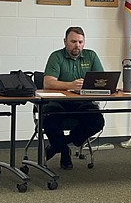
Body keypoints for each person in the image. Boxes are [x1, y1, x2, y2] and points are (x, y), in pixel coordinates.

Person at [42, 26, 105, 169]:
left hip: (83, 103)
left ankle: (60, 144)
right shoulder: (56, 56)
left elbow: (102, 79)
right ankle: (64, 151)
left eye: (80, 42)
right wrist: (70, 85)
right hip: (58, 103)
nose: (77, 45)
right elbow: (48, 82)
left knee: (97, 121)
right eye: (73, 41)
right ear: (65, 41)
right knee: (49, 121)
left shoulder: (91, 56)